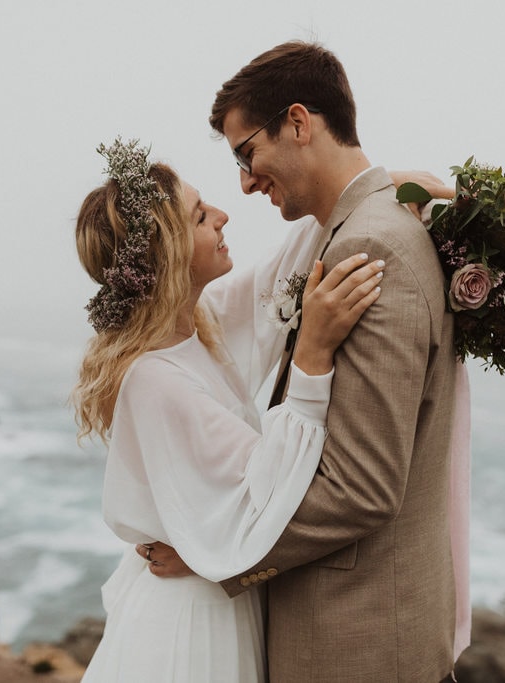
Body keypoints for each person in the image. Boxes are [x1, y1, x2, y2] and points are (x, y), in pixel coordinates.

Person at [153, 41, 472, 682]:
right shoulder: (344, 232)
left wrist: (221, 554)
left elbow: (361, 489)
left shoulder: (372, 246)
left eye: (248, 153)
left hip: (359, 643)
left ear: (299, 123)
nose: (244, 182)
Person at [73, 138, 388, 682]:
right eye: (200, 216)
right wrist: (312, 356)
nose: (222, 216)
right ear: (169, 253)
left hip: (210, 597)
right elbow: (269, 490)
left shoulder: (202, 321)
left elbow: (291, 259)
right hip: (191, 626)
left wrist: (399, 190)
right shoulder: (153, 379)